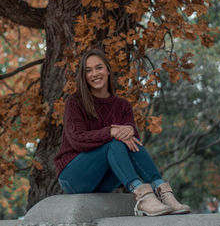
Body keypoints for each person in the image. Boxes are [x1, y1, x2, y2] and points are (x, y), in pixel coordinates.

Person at [54, 49, 191, 216]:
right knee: (115, 143)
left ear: (108, 70)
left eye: (99, 68)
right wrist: (111, 131)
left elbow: (134, 147)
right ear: (83, 76)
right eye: (88, 70)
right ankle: (142, 196)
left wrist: (129, 130)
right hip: (74, 176)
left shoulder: (122, 105)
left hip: (103, 180)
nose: (94, 74)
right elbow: (77, 139)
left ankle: (163, 191)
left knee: (127, 142)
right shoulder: (75, 102)